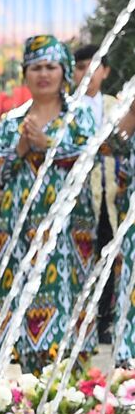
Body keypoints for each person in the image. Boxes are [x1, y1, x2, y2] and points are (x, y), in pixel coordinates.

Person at [0, 36, 105, 373]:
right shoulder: (12, 121)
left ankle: (75, 389)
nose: (43, 74)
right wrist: (23, 147)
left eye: (50, 67)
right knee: (27, 301)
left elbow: (91, 160)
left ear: (64, 71)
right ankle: (29, 384)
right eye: (35, 67)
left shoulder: (80, 114)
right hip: (22, 233)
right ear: (25, 74)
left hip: (70, 232)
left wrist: (48, 143)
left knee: (72, 299)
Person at [73, 43, 126, 348]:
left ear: (105, 71)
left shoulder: (116, 106)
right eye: (81, 68)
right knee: (79, 258)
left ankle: (104, 321)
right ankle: (76, 319)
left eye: (94, 68)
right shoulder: (66, 108)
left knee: (107, 257)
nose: (87, 74)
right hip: (80, 199)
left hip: (110, 198)